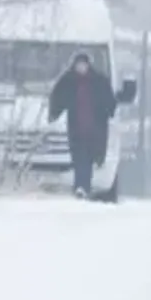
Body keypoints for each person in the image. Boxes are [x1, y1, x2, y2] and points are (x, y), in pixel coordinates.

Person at [48, 52, 116, 198]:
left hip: (95, 128)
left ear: (88, 65)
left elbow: (108, 99)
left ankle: (84, 185)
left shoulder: (99, 81)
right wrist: (54, 113)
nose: (81, 67)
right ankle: (80, 186)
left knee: (90, 158)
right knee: (79, 158)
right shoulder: (68, 81)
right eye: (78, 65)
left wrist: (110, 109)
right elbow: (58, 97)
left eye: (83, 64)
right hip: (76, 127)